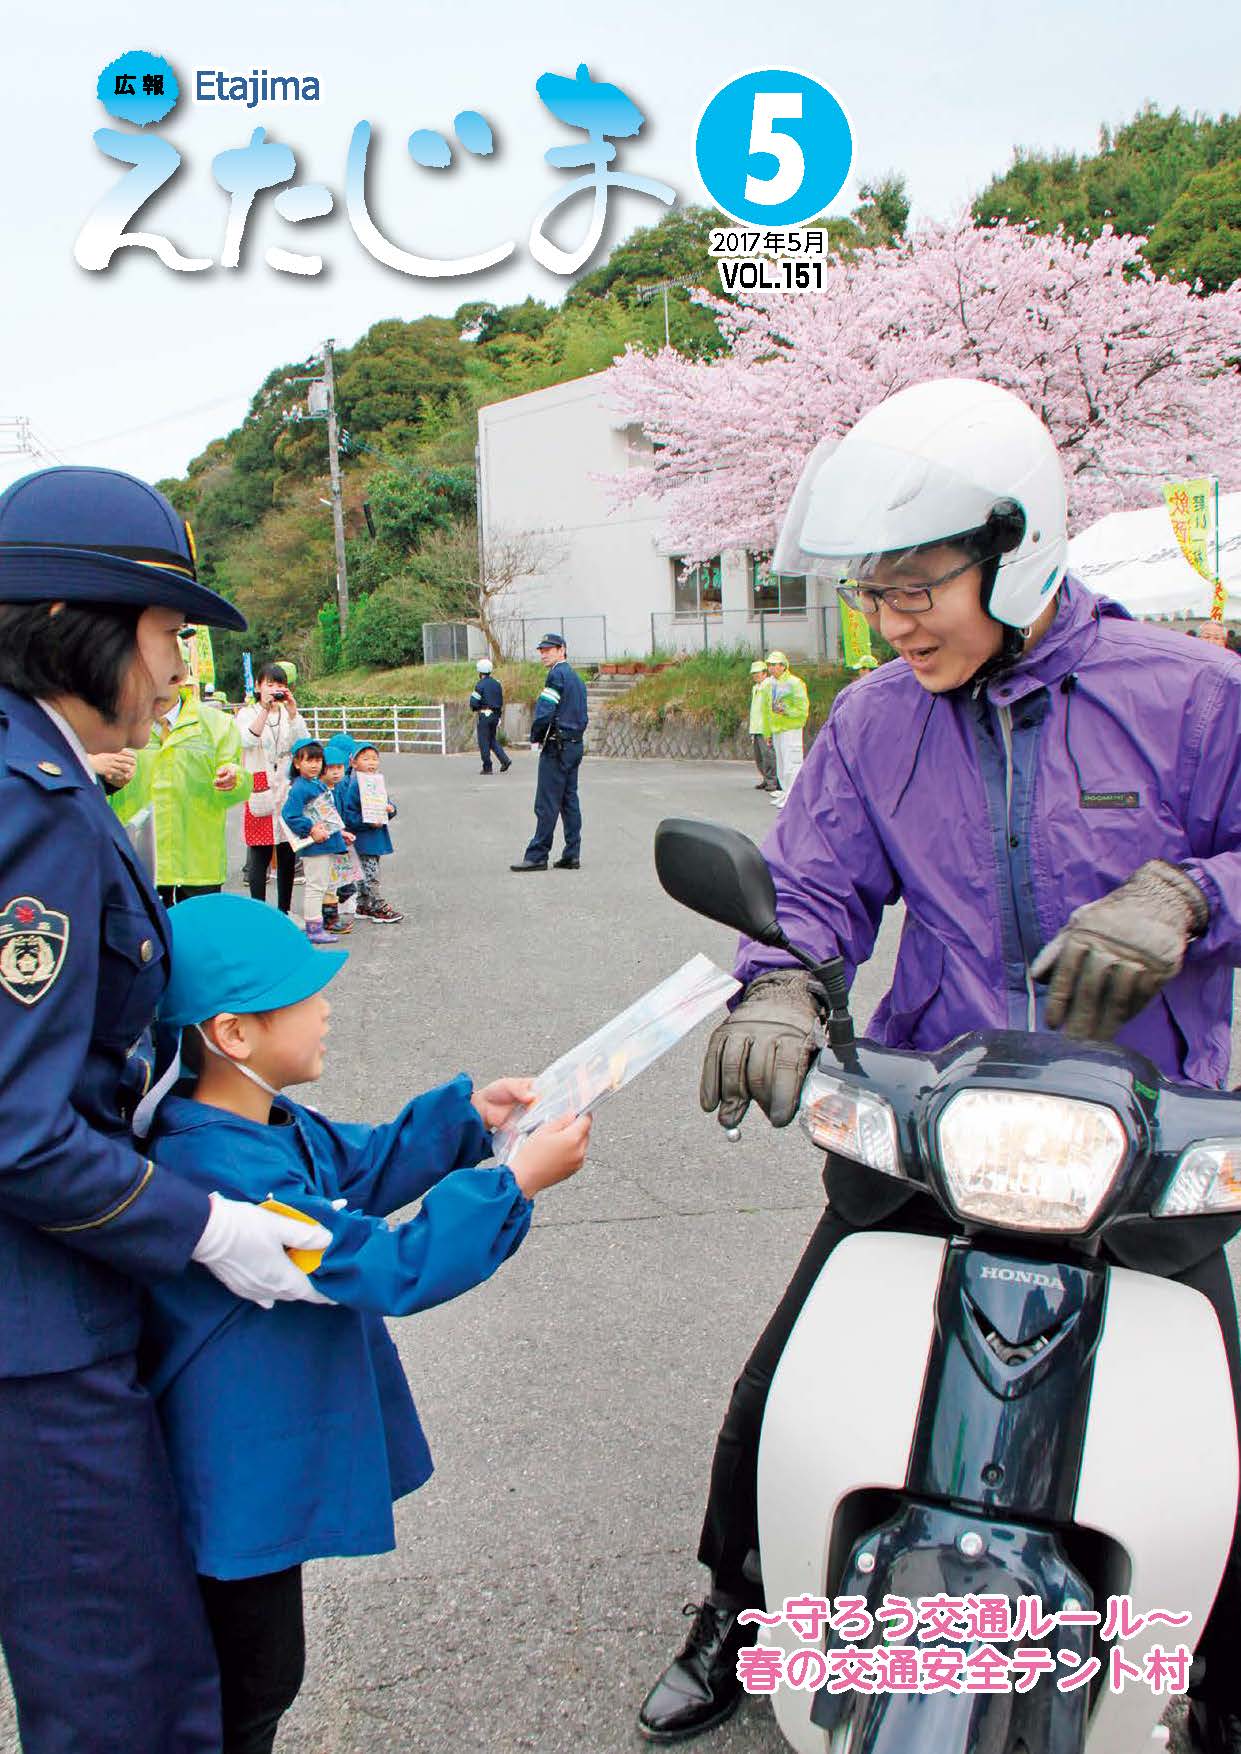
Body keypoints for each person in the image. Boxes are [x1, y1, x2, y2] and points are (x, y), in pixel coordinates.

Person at [637, 379, 1241, 1754]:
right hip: (935, 1114)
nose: (893, 620)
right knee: (779, 1388)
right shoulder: (869, 720)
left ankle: (1219, 1679)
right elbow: (814, 891)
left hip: (1144, 1137)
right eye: (874, 593)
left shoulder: (1197, 698)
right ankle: (736, 1605)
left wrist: (1192, 899)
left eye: (919, 587)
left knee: (1225, 1431)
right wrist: (783, 980)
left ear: (1016, 550)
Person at [0, 464, 333, 1754]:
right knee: (129, 1698)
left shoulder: (45, 770)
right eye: (168, 631)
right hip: (34, 1336)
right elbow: (19, 1124)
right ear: (82, 622)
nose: (181, 666)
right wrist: (205, 1225)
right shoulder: (31, 810)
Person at [142, 893, 593, 1754]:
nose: (324, 1008)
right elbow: (384, 1266)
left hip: (249, 1461)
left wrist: (473, 1120)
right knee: (252, 1682)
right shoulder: (217, 1163)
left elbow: (365, 1160)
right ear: (233, 1034)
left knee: (257, 1673)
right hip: (233, 1479)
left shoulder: (251, 1123)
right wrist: (514, 1183)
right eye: (303, 994)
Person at [110, 666, 253, 907]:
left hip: (198, 859)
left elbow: (236, 784)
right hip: (139, 859)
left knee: (199, 938)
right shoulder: (115, 724)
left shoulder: (217, 725)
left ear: (179, 675)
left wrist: (233, 779)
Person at [510, 633, 589, 873]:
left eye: (549, 650)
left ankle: (537, 855)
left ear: (562, 650)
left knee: (546, 803)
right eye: (542, 650)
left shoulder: (556, 674)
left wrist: (536, 736)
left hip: (557, 746)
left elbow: (545, 710)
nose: (544, 654)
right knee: (569, 800)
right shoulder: (576, 678)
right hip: (574, 744)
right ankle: (572, 853)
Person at [236, 662, 309, 914]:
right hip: (260, 785)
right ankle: (259, 914)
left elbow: (304, 745)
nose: (275, 689)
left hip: (285, 787)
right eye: (270, 684)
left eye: (280, 684)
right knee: (259, 853)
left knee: (287, 851)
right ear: (258, 686)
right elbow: (246, 739)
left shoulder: (288, 715)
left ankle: (284, 911)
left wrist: (292, 712)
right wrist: (265, 710)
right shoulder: (247, 713)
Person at [282, 738, 353, 945]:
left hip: (326, 841)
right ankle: (314, 929)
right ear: (297, 763)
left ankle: (316, 925)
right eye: (309, 761)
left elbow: (327, 816)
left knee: (321, 885)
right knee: (316, 886)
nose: (314, 765)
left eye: (318, 761)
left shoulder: (314, 785)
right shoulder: (300, 788)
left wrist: (340, 833)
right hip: (315, 846)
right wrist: (310, 829)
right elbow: (290, 815)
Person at [338, 738, 404, 923]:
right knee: (371, 873)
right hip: (363, 837)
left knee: (367, 871)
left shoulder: (376, 782)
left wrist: (391, 810)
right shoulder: (354, 784)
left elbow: (386, 804)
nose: (371, 763)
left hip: (375, 836)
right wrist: (368, 823)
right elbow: (349, 816)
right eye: (365, 759)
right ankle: (378, 906)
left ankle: (363, 904)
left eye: (374, 758)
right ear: (354, 762)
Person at [763, 649, 808, 807]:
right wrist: (767, 732)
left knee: (792, 763)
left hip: (791, 729)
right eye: (770, 665)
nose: (772, 668)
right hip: (778, 729)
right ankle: (786, 793)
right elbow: (766, 709)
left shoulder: (794, 683)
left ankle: (794, 797)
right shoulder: (770, 684)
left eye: (775, 665)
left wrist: (787, 711)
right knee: (781, 765)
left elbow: (803, 709)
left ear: (783, 666)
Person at [471, 656, 512, 774]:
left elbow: (473, 702)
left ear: (480, 672)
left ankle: (487, 767)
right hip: (495, 715)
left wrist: (476, 708)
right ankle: (505, 760)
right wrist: (498, 716)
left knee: (483, 741)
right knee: (492, 740)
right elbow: (500, 701)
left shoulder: (480, 685)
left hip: (484, 715)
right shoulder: (497, 684)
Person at [747, 658, 777, 792]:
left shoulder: (769, 685)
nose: (755, 675)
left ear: (765, 673)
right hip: (756, 727)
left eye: (758, 673)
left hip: (765, 727)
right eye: (754, 673)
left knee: (768, 755)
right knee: (759, 756)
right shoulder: (756, 688)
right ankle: (766, 779)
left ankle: (772, 781)